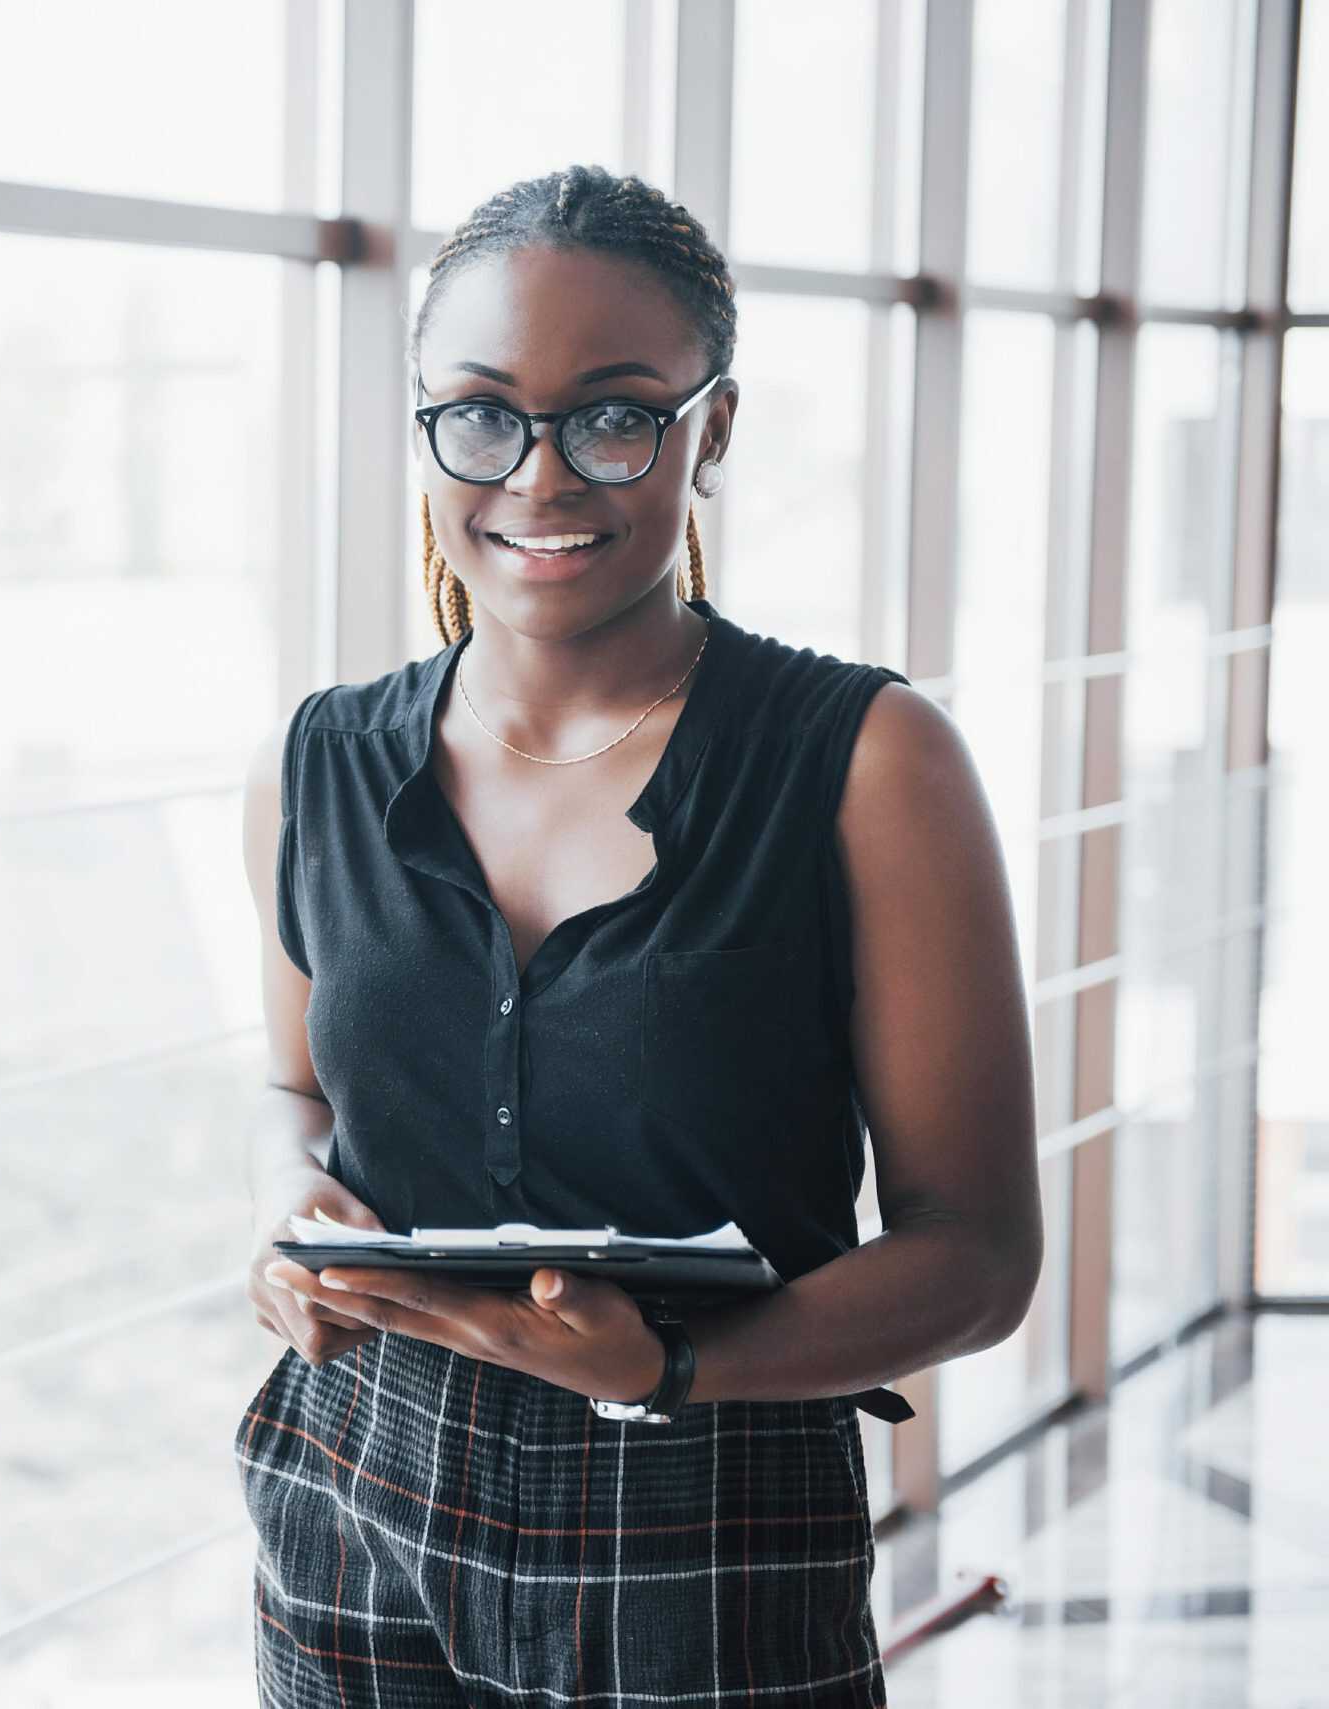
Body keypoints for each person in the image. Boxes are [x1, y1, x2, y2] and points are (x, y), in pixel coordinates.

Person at [231, 164, 1043, 1706]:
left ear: (710, 431)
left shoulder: (870, 759)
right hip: (349, 1482)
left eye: (613, 415)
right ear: (424, 427)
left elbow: (980, 1255)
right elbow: (297, 1096)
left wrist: (674, 1365)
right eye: (480, 413)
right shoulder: (318, 760)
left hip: (706, 1512)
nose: (540, 479)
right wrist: (288, 1210)